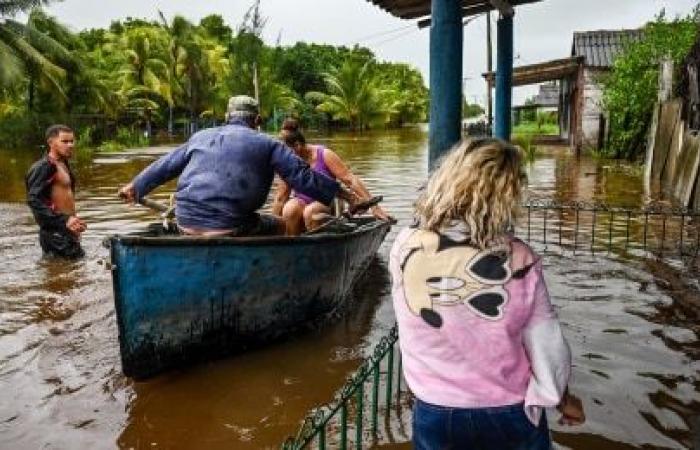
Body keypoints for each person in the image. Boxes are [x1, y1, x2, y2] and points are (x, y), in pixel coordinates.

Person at [390, 138, 584, 450]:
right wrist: (561, 399)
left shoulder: (403, 247)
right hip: (509, 411)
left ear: (447, 179)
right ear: (509, 196)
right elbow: (548, 347)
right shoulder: (521, 259)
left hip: (434, 410)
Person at [119, 96, 361, 236]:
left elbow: (165, 165)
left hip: (185, 222)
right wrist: (345, 195)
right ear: (256, 121)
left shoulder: (200, 136)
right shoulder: (267, 143)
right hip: (231, 227)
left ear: (226, 117)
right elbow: (303, 177)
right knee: (281, 225)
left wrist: (135, 187)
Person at [272, 118, 391, 235]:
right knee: (289, 210)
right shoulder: (288, 162)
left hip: (328, 203)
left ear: (297, 145)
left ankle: (320, 249)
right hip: (302, 202)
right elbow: (281, 198)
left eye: (287, 151)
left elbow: (350, 180)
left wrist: (375, 207)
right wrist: (272, 231)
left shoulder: (323, 154)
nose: (284, 155)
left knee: (311, 213)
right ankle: (293, 249)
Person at [26, 125, 87, 258]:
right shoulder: (44, 167)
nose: (70, 145)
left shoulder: (63, 164)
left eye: (72, 141)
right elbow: (33, 200)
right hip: (55, 236)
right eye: (64, 141)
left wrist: (73, 221)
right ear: (51, 142)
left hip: (67, 232)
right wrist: (64, 220)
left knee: (70, 274)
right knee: (65, 273)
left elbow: (64, 198)